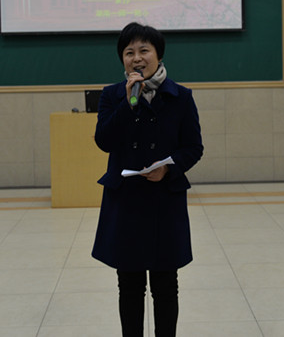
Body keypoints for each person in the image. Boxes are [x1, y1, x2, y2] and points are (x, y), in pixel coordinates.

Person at [92, 22, 204, 337]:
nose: (137, 58)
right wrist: (129, 104)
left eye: (144, 50)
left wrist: (168, 169)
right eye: (129, 52)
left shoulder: (181, 97)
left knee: (165, 284)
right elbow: (104, 141)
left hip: (164, 199)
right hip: (126, 200)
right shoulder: (113, 95)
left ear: (158, 55)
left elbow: (193, 147)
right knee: (129, 285)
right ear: (122, 59)